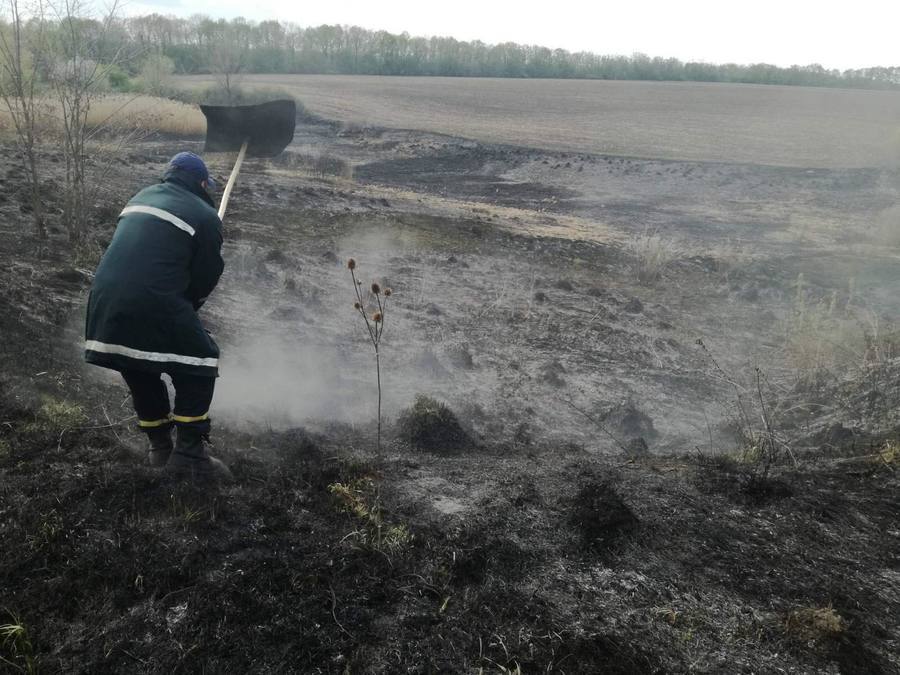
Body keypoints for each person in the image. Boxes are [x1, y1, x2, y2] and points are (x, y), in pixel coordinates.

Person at [84, 152, 231, 481]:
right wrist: (188, 304)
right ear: (203, 183)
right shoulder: (206, 217)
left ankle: (159, 448)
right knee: (201, 361)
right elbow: (205, 276)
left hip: (104, 305)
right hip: (150, 300)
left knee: (138, 363)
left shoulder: (140, 197)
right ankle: (189, 455)